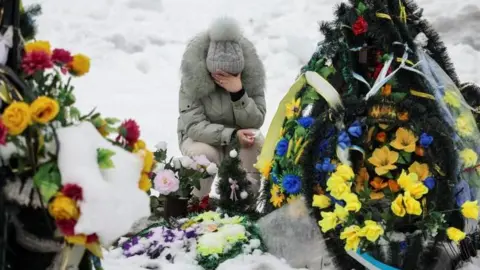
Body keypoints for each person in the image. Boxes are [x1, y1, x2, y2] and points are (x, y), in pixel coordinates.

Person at [177, 17, 266, 198]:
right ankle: (194, 203)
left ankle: (243, 206)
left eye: (232, 74)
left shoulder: (251, 76)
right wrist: (232, 135)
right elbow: (194, 126)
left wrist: (238, 93)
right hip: (202, 138)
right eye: (220, 75)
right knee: (203, 155)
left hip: (240, 136)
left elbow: (256, 120)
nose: (226, 79)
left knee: (253, 147)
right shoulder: (193, 78)